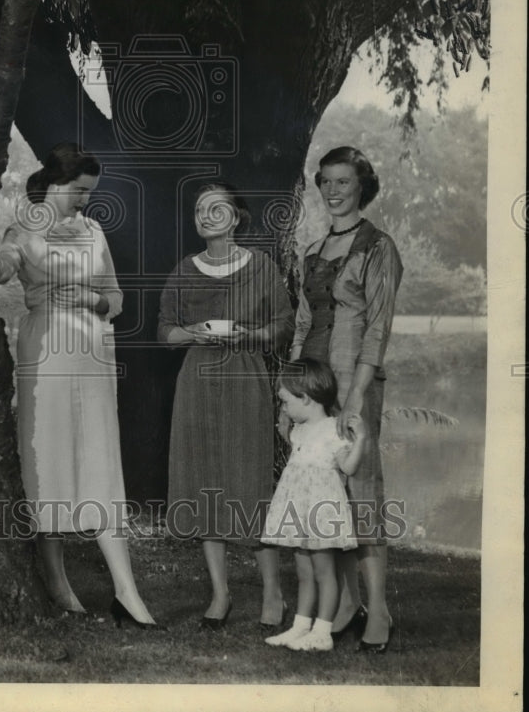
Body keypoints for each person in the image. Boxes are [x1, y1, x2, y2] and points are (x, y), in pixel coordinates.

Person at [0, 142, 157, 628]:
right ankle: (58, 583)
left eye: (92, 192)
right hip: (45, 347)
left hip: (94, 348)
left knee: (100, 458)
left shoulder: (94, 230)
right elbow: (0, 270)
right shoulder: (23, 227)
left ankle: (127, 592)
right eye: (81, 191)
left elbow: (116, 296)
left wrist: (95, 300)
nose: (86, 200)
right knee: (48, 454)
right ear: (57, 182)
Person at [157, 182, 294, 628]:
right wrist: (191, 333)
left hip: (244, 376)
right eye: (199, 208)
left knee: (249, 481)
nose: (206, 215)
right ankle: (220, 595)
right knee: (203, 481)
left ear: (236, 218)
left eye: (217, 208)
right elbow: (165, 332)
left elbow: (283, 326)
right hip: (196, 381)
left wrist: (248, 335)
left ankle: (273, 594)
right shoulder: (183, 270)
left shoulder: (261, 266)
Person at [290, 146, 403, 652]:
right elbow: (302, 324)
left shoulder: (379, 247)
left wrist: (355, 399)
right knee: (322, 493)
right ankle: (346, 603)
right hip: (314, 388)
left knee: (361, 490)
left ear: (362, 186)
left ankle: (378, 609)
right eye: (327, 182)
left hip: (355, 383)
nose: (334, 191)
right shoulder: (312, 251)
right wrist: (290, 394)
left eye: (344, 182)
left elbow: (377, 329)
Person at [262, 358, 367, 652]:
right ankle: (300, 627)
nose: (283, 408)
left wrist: (361, 440)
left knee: (324, 573)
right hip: (298, 510)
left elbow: (348, 467)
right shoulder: (299, 430)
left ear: (305, 398)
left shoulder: (334, 429)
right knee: (304, 572)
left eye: (285, 401)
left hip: (321, 512)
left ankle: (322, 633)